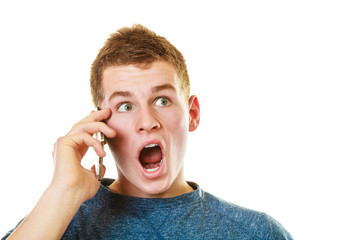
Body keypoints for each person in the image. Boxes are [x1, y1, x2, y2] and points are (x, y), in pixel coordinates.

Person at [3, 24, 293, 239]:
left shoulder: (256, 232)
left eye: (162, 100)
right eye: (126, 106)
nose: (147, 121)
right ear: (100, 126)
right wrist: (61, 192)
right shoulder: (57, 224)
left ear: (192, 114)